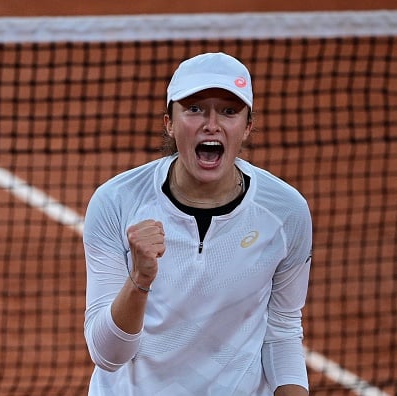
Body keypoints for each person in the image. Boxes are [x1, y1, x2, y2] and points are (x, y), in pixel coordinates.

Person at [82, 52, 312, 395]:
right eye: (195, 109)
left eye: (229, 111)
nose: (212, 124)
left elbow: (282, 331)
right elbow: (108, 355)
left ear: (247, 127)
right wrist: (140, 279)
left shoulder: (286, 212)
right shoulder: (117, 201)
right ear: (169, 123)